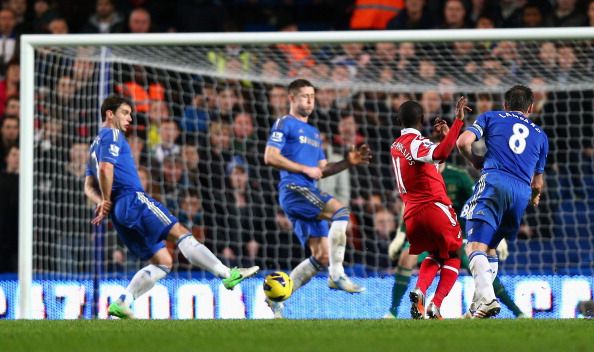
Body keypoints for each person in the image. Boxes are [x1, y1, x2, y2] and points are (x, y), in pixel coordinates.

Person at [84, 95, 258, 319]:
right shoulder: (113, 134)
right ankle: (227, 273)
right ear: (110, 114)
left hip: (119, 213)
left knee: (164, 262)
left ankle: (123, 302)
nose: (130, 118)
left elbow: (88, 186)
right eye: (125, 113)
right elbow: (106, 168)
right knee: (181, 233)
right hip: (133, 199)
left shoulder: (94, 145)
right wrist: (106, 198)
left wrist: (101, 201)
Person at [264, 79, 372, 318]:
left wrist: (347, 162)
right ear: (291, 98)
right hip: (293, 187)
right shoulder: (285, 123)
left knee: (322, 255)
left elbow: (322, 169)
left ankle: (276, 299)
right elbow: (270, 156)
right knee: (340, 211)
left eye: (312, 96)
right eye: (304, 96)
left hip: (307, 190)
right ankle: (337, 275)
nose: (310, 100)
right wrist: (303, 169)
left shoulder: (314, 133)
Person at [386, 162, 527, 319]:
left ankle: (516, 311)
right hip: (440, 233)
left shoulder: (458, 177)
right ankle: (396, 310)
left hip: (455, 233)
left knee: (461, 259)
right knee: (419, 257)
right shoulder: (419, 176)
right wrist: (401, 234)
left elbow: (478, 201)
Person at [456, 85, 548, 318]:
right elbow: (538, 184)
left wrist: (475, 161)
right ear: (530, 107)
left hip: (495, 181)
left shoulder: (491, 116)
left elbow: (462, 142)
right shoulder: (540, 135)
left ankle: (488, 299)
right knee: (491, 248)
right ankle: (476, 309)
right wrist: (535, 198)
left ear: (506, 105)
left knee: (474, 245)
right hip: (520, 194)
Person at [390, 97, 470, 319]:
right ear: (422, 120)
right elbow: (440, 154)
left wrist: (444, 138)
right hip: (434, 208)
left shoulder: (396, 146)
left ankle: (420, 290)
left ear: (398, 121)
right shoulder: (415, 144)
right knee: (454, 255)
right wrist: (457, 123)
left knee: (436, 253)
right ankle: (435, 304)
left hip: (412, 215)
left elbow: (427, 160)